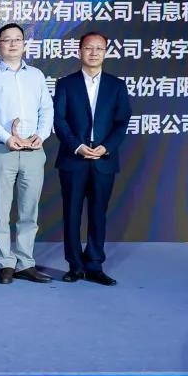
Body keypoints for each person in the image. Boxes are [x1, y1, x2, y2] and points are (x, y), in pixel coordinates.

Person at [0, 23, 54, 285]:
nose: (12, 44)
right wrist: (6, 137)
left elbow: (46, 109)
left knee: (29, 210)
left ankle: (25, 263)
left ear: (24, 43)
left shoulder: (37, 76)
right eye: (7, 40)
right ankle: (6, 263)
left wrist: (40, 136)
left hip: (33, 150)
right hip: (2, 150)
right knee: (0, 211)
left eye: (17, 39)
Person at [53, 32, 132, 286]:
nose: (94, 53)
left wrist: (106, 147)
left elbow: (122, 122)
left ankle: (95, 264)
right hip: (73, 159)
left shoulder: (116, 86)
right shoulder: (66, 84)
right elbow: (59, 120)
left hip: (103, 160)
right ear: (80, 52)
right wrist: (76, 146)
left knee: (98, 213)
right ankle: (75, 266)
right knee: (72, 214)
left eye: (99, 48)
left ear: (106, 52)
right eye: (89, 48)